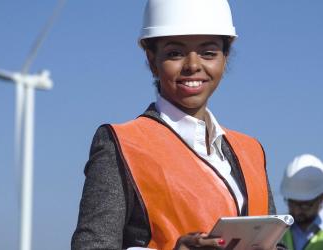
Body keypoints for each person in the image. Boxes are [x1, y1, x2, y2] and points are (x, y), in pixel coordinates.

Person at [71, 0, 280, 249]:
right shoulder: (121, 144)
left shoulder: (251, 151)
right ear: (151, 59)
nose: (193, 65)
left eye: (208, 52)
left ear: (225, 58)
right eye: (175, 53)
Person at [280, 154, 323, 250]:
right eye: (292, 202)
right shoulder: (276, 232)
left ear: (321, 198)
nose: (296, 210)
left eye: (304, 205)